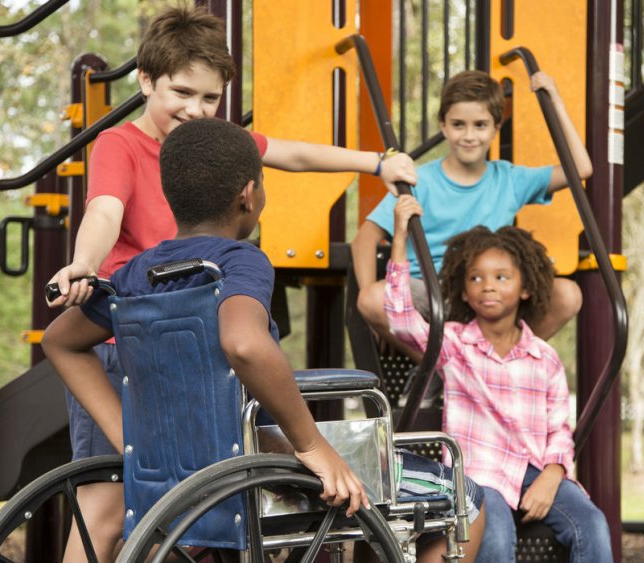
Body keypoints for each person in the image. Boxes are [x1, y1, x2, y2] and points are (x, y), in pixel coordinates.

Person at [44, 6, 416, 560]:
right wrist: (85, 266)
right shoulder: (122, 146)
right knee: (105, 506)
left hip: (197, 351)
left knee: (204, 503)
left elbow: (292, 152)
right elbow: (104, 210)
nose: (196, 110)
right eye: (182, 92)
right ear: (145, 81)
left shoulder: (213, 150)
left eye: (211, 98)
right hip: (131, 349)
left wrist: (375, 162)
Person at [42, 118, 484, 562]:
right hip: (253, 461)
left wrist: (132, 440)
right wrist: (313, 446)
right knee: (465, 494)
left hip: (183, 469)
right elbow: (244, 344)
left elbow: (60, 341)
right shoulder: (239, 262)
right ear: (249, 195)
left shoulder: (135, 273)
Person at [383, 195, 611, 562]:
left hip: (535, 470)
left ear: (525, 288)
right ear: (464, 291)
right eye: (477, 278)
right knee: (495, 533)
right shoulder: (455, 344)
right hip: (479, 474)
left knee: (592, 523)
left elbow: (559, 429)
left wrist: (553, 476)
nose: (488, 286)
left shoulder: (544, 357)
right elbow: (400, 321)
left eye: (501, 277)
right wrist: (398, 237)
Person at [353, 69, 590, 359]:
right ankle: (443, 368)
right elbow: (365, 237)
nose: (469, 136)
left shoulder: (509, 179)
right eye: (458, 125)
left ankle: (500, 362)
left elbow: (581, 169)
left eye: (480, 125)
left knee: (568, 294)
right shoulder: (419, 180)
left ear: (495, 128)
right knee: (372, 299)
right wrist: (376, 315)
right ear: (443, 126)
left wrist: (555, 102)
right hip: (427, 293)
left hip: (486, 289)